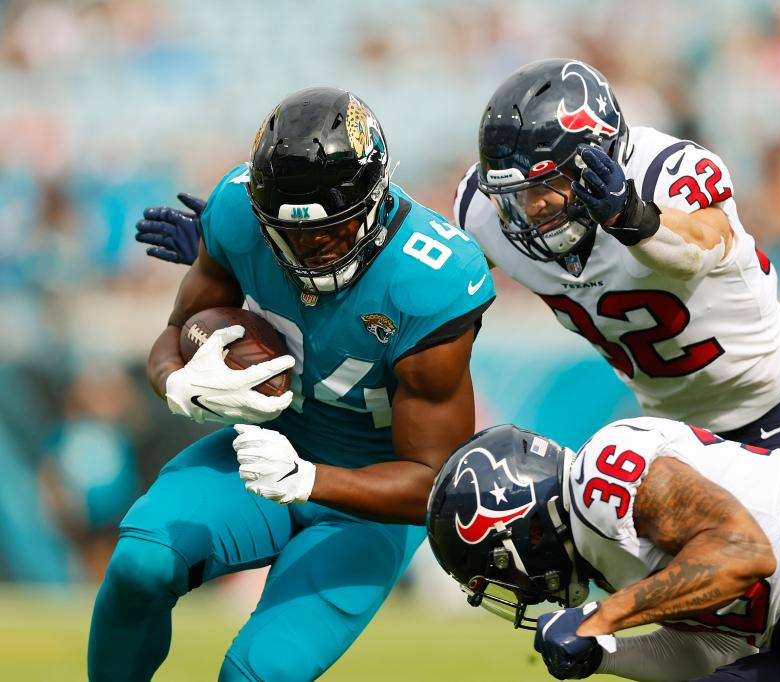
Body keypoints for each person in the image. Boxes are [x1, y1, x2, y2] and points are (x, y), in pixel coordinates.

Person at [139, 58, 780, 473]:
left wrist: (635, 219)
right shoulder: (485, 211)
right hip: (672, 421)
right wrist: (254, 239)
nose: (529, 215)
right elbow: (411, 262)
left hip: (777, 403)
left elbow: (711, 242)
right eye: (516, 196)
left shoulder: (668, 174)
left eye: (546, 191)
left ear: (598, 159)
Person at [92, 87, 495, 681]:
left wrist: (308, 479)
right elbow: (177, 329)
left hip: (370, 499)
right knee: (139, 565)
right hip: (261, 450)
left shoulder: (432, 279)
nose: (310, 248)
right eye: (291, 232)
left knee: (258, 673)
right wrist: (176, 383)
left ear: (375, 203)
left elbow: (433, 481)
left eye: (330, 230)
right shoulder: (237, 212)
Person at [425, 419, 780, 681]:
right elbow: (710, 649)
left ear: (518, 527)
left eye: (497, 570)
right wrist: (605, 656)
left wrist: (601, 618)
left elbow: (741, 554)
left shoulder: (600, 477)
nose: (515, 589)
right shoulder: (605, 553)